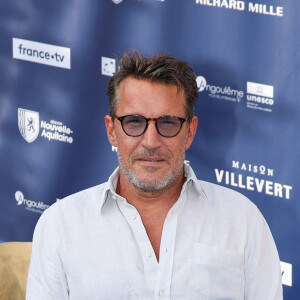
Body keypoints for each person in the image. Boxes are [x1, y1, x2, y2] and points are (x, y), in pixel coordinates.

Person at [26, 50, 283, 299]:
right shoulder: (59, 226)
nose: (151, 141)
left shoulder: (243, 222)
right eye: (134, 122)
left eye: (168, 123)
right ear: (112, 130)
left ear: (190, 132)